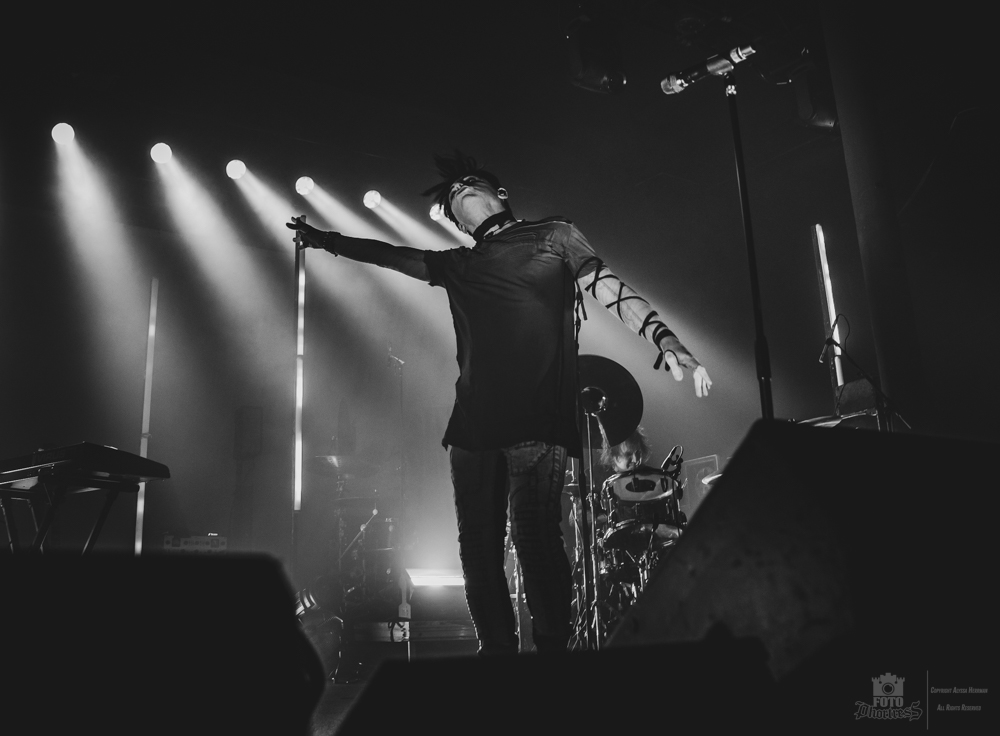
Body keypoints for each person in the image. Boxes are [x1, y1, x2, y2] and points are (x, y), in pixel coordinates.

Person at [286, 152, 711, 655]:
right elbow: (388, 254)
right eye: (451, 194)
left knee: (536, 540)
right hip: (471, 430)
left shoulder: (554, 235)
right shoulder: (458, 264)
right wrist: (326, 241)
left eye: (470, 182)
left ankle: (553, 656)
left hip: (537, 423)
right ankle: (498, 661)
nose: (460, 188)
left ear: (499, 194)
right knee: (478, 555)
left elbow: (607, 286)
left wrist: (664, 337)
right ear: (455, 221)